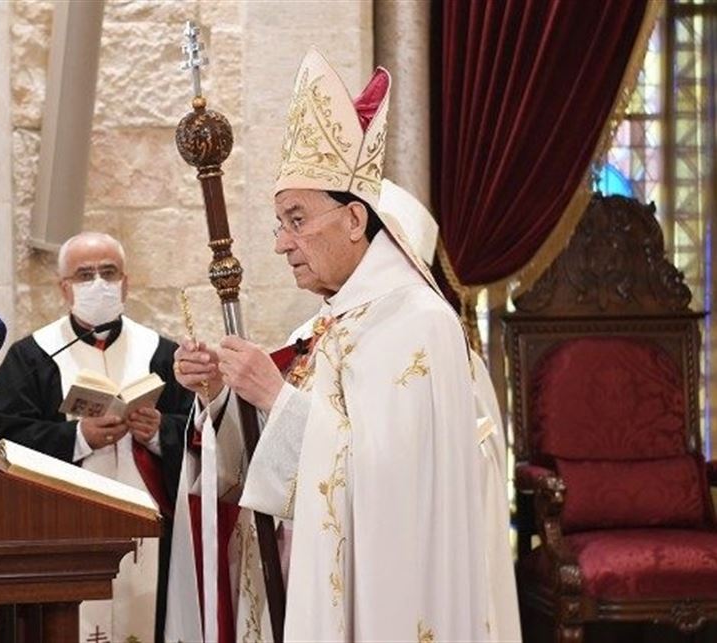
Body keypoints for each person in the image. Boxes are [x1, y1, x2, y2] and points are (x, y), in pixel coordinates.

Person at [170, 48, 520, 642]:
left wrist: (275, 396)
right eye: (280, 223)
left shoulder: (420, 323)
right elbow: (266, 465)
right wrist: (220, 397)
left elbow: (395, 487)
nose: (281, 243)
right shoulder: (324, 326)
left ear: (355, 220)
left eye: (296, 219)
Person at [0, 231, 193, 643]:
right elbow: (6, 436)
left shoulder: (161, 353)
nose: (98, 283)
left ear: (126, 283)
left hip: (149, 524)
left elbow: (198, 430)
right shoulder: (34, 356)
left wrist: (159, 433)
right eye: (84, 275)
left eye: (108, 273)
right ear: (64, 288)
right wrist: (78, 436)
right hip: (63, 527)